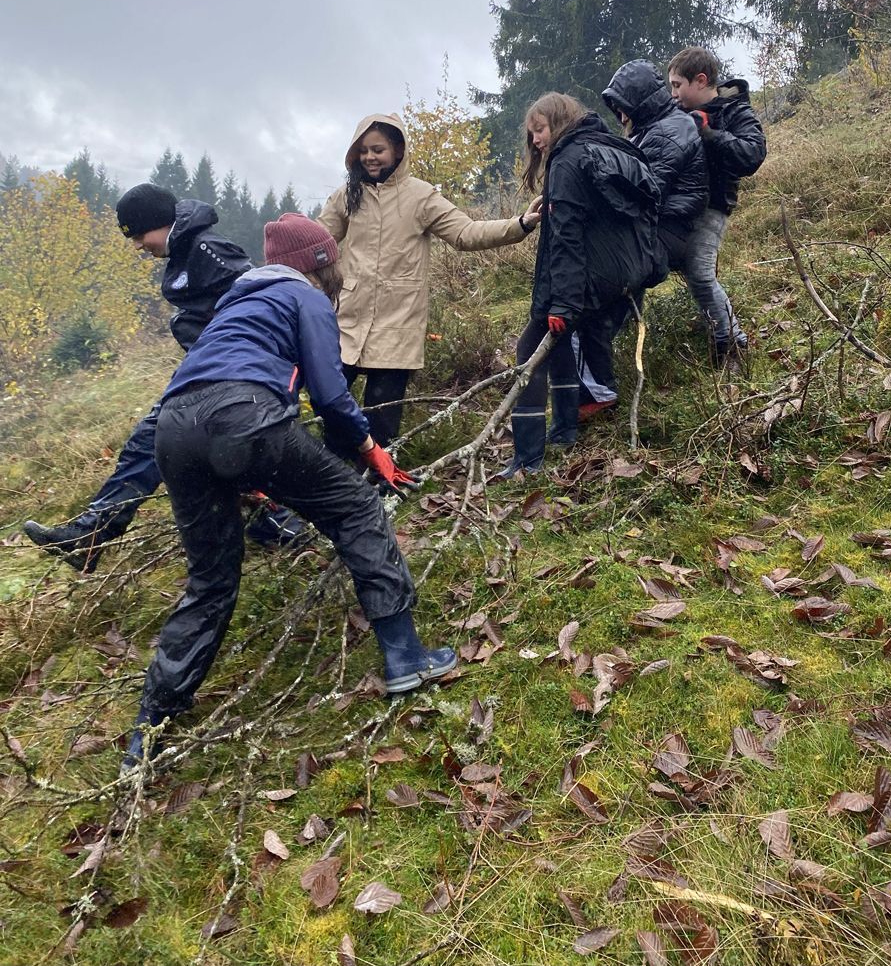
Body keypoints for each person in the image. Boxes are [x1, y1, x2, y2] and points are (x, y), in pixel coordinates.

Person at [123, 213, 455, 769]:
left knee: (210, 581)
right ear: (319, 264)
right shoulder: (305, 296)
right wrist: (368, 446)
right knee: (356, 507)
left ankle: (147, 732)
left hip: (174, 432)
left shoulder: (232, 306)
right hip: (243, 416)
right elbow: (330, 395)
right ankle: (406, 657)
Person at [23, 184, 303, 571]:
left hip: (234, 375)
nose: (138, 245)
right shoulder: (184, 251)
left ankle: (287, 527)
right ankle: (90, 536)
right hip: (210, 370)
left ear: (162, 222)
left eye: (140, 234)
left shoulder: (209, 250)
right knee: (152, 443)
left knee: (185, 444)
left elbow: (256, 304)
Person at [318, 114, 541, 446]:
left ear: (397, 150)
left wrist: (520, 224)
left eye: (377, 149)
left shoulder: (421, 196)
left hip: (398, 321)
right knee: (331, 406)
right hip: (348, 318)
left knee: (382, 419)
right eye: (363, 150)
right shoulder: (346, 196)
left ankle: (378, 473)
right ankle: (331, 469)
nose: (369, 157)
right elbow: (318, 242)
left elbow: (465, 232)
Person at [500, 93, 658, 477]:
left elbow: (566, 239)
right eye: (531, 133)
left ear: (558, 122)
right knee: (560, 343)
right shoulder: (603, 146)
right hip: (621, 274)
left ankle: (527, 459)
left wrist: (563, 304)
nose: (536, 139)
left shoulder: (567, 161)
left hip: (586, 278)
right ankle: (564, 430)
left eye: (540, 129)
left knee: (530, 349)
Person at [574, 59, 709, 414]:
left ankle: (595, 390)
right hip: (657, 227)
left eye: (623, 106)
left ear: (640, 101)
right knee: (609, 288)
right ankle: (594, 387)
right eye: (614, 107)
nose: (619, 115)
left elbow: (643, 191)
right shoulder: (650, 128)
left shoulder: (668, 132)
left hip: (669, 231)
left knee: (604, 284)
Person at [667, 46, 767, 363]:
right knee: (690, 272)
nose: (673, 94)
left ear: (700, 80)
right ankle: (715, 329)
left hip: (712, 207)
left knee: (700, 273)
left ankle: (732, 345)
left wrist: (709, 134)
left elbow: (753, 154)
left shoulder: (734, 111)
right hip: (678, 208)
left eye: (677, 85)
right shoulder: (676, 114)